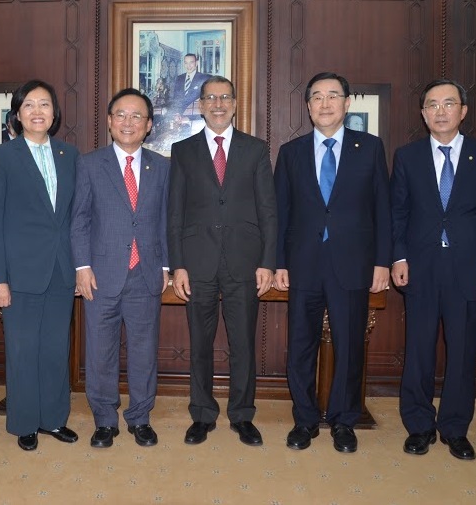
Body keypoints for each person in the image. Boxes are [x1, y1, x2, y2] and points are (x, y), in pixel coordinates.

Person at [273, 72, 391, 453]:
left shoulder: (369, 148)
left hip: (353, 264)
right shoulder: (290, 153)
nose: (325, 104)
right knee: (300, 346)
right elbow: (280, 213)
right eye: (317, 97)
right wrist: (278, 262)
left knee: (350, 345)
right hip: (303, 263)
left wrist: (383, 262)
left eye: (333, 96)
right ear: (308, 106)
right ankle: (305, 420)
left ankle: (344, 421)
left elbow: (383, 209)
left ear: (347, 103)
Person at [390, 79, 476, 460]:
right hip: (420, 267)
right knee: (418, 349)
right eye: (432, 105)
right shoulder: (407, 156)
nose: (440, 111)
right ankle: (419, 425)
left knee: (463, 351)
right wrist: (398, 257)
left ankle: (455, 428)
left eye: (448, 104)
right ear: (423, 114)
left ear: (463, 111)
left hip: (469, 268)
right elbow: (397, 212)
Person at [168, 75, 277, 447]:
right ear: (200, 105)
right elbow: (174, 213)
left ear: (235, 104)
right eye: (211, 98)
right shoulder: (183, 151)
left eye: (225, 97)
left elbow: (268, 210)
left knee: (243, 343)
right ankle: (202, 414)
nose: (218, 104)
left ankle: (242, 415)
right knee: (200, 343)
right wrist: (178, 265)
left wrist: (268, 262)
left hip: (244, 262)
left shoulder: (256, 149)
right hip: (197, 262)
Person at [0, 79, 79, 451]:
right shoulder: (3, 156)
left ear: (55, 113)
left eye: (45, 104)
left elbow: (76, 217)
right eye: (29, 105)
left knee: (55, 349)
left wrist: (79, 267)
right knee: (22, 350)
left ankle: (53, 419)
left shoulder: (70, 154)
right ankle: (24, 422)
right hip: (19, 272)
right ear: (18, 115)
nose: (38, 111)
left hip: (60, 270)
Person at [71, 88, 169, 448]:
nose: (129, 122)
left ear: (149, 125)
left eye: (137, 116)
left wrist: (166, 265)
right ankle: (104, 420)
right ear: (110, 122)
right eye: (121, 115)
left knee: (144, 351)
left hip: (146, 272)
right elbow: (79, 219)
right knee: (100, 351)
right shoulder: (89, 164)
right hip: (100, 274)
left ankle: (140, 418)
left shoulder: (162, 166)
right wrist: (82, 266)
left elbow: (166, 220)